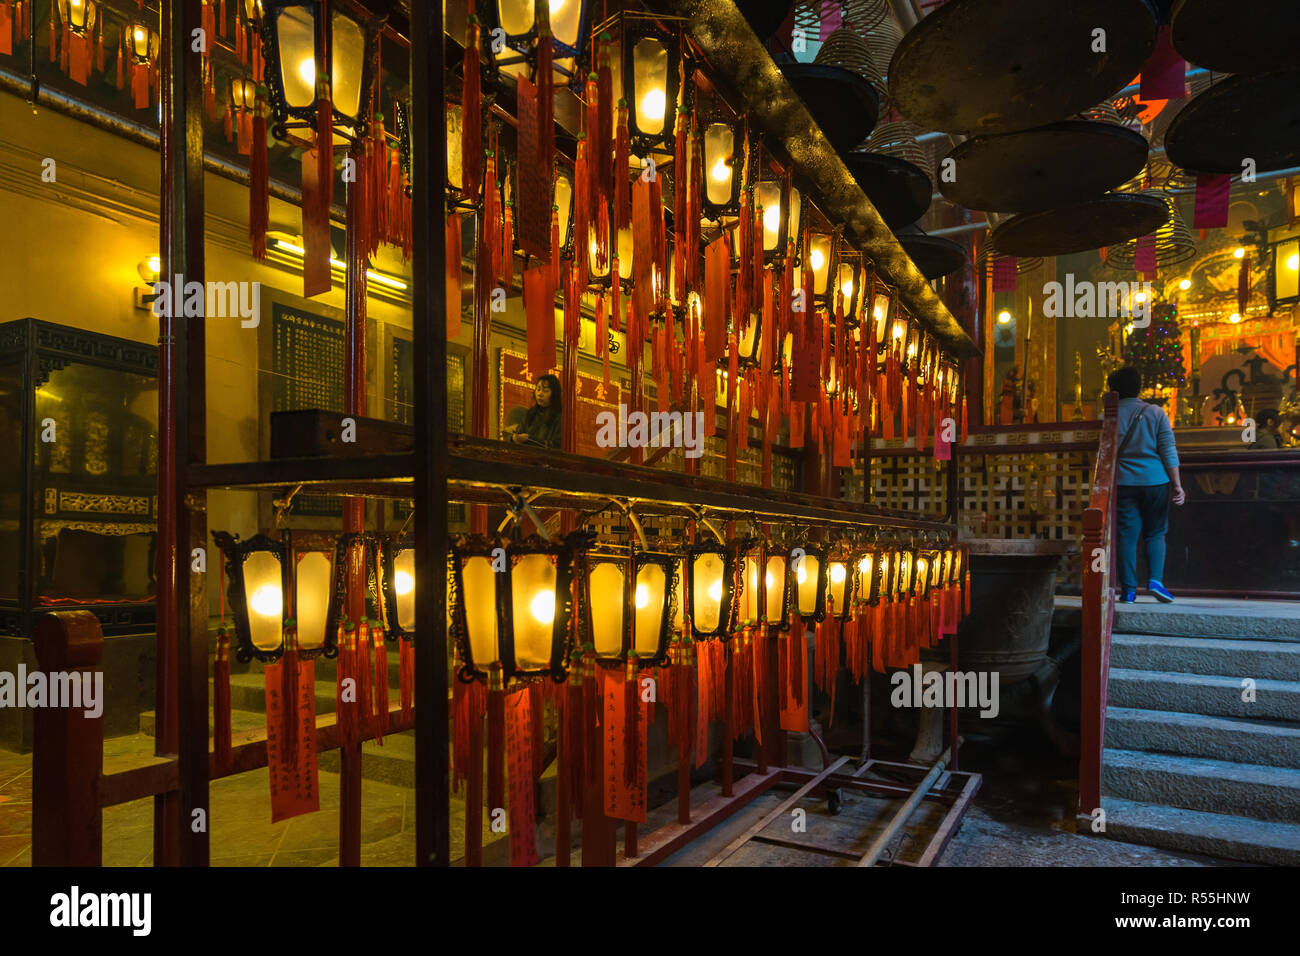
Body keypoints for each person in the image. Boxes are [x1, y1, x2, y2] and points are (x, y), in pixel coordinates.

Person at [1108, 366, 1184, 603]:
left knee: (1126, 535)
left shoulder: (1108, 416)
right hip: (1155, 481)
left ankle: (1128, 590)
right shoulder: (1156, 413)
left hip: (1123, 482)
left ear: (1113, 390)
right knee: (1156, 532)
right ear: (1139, 387)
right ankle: (1156, 581)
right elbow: (1167, 449)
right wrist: (1177, 484)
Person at [504, 373, 562, 449]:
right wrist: (514, 438)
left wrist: (530, 439)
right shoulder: (530, 414)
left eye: (545, 391)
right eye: (538, 389)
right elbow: (518, 434)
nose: (540, 394)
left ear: (554, 394)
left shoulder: (559, 417)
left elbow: (556, 445)